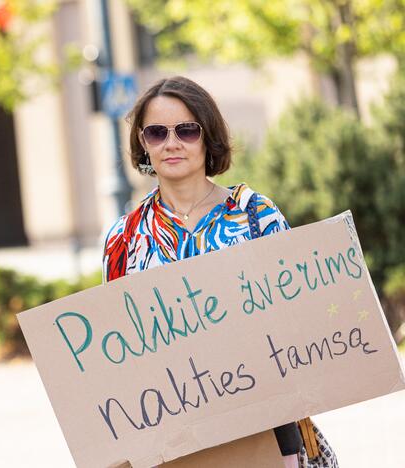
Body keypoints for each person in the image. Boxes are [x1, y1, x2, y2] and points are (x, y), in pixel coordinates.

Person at [102, 76, 336, 468]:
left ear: (207, 136)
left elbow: (297, 318)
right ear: (143, 143)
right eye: (157, 133)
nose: (172, 143)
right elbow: (118, 351)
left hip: (263, 426)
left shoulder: (255, 215)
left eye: (186, 131)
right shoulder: (124, 237)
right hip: (172, 437)